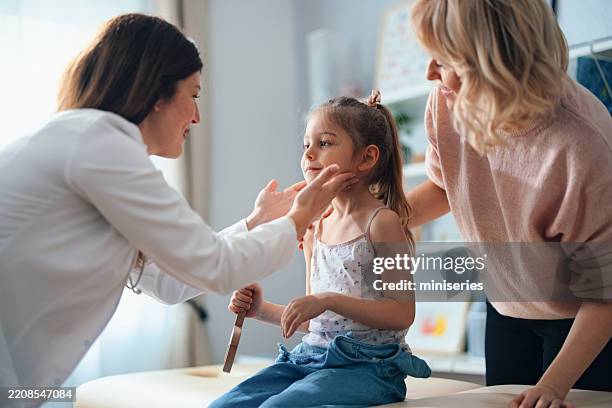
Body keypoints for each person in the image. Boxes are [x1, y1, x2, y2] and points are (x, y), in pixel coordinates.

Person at [0, 13, 358, 393]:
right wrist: (300, 217)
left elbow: (169, 281)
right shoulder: (100, 147)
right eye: (194, 95)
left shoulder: (91, 144)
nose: (197, 116)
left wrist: (257, 221)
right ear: (157, 92)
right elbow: (213, 267)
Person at [405, 1, 612, 407]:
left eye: (444, 60)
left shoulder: (581, 144)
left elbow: (604, 294)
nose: (429, 73)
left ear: (495, 63)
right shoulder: (446, 100)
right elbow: (445, 187)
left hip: (583, 321)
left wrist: (553, 386)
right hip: (506, 302)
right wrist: (367, 222)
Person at [210, 91, 432, 408]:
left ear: (366, 158)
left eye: (324, 143)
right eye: (306, 145)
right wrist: (261, 310)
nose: (309, 154)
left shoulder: (381, 224)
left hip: (369, 367)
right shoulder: (317, 227)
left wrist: (326, 299)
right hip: (311, 357)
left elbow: (401, 313)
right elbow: (316, 321)